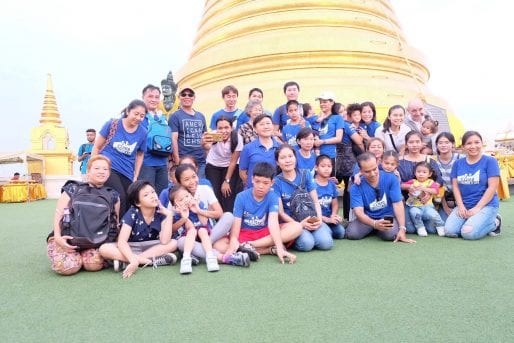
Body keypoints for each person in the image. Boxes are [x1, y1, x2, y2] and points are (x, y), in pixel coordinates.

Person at [47, 155, 121, 276]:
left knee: (93, 265)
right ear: (88, 170)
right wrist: (58, 237)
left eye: (105, 169)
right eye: (97, 168)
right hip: (67, 238)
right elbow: (59, 214)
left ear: (109, 173)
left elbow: (115, 221)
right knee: (68, 267)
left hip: (97, 241)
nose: (101, 171)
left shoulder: (113, 195)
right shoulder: (72, 188)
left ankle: (82, 256)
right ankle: (72, 255)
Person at [226, 162, 301, 264]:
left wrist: (279, 248)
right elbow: (236, 227)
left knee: (297, 227)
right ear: (252, 179)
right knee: (220, 245)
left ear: (272, 183)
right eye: (257, 181)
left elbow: (273, 223)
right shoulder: (241, 196)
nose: (260, 186)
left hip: (265, 233)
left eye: (265, 183)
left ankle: (250, 246)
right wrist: (233, 240)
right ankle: (267, 250)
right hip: (245, 233)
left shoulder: (272, 196)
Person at [99, 180, 177, 278]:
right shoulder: (133, 213)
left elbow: (165, 241)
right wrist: (132, 258)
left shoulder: (162, 213)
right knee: (104, 249)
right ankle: (148, 261)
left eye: (153, 192)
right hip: (131, 247)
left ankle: (128, 262)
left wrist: (169, 215)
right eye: (146, 195)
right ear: (138, 202)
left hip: (151, 247)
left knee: (173, 243)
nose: (152, 196)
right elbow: (122, 242)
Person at [173, 164, 239, 264]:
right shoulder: (175, 197)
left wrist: (199, 210)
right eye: (186, 179)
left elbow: (219, 213)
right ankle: (222, 257)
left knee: (229, 216)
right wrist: (184, 218)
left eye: (194, 176)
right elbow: (171, 228)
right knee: (181, 242)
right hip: (190, 237)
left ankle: (198, 251)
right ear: (179, 183)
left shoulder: (204, 189)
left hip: (209, 233)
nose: (192, 182)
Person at [92, 99, 147, 216]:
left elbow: (140, 154)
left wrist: (136, 175)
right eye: (136, 114)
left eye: (142, 116)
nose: (138, 118)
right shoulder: (112, 124)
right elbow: (97, 146)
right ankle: (117, 228)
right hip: (109, 167)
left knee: (130, 199)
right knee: (120, 196)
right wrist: (92, 168)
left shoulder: (143, 132)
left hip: (127, 171)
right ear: (128, 111)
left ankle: (125, 228)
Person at [273, 145, 333, 251]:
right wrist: (299, 225)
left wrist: (319, 219)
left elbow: (315, 202)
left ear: (295, 158)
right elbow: (281, 213)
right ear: (277, 162)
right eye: (283, 158)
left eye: (290, 156)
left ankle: (320, 230)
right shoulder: (276, 182)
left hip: (311, 218)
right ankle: (297, 238)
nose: (288, 160)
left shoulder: (306, 174)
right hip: (292, 222)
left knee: (326, 243)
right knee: (307, 244)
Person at [444, 131, 502, 239]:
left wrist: (477, 208)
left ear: (481, 143)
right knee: (449, 231)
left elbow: (492, 188)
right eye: (469, 143)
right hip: (465, 205)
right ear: (463, 147)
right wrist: (460, 206)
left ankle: (495, 222)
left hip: (486, 205)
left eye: (477, 142)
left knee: (468, 233)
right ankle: (473, 221)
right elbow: (455, 187)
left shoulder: (490, 161)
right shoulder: (458, 163)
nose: (473, 146)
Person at [346, 152, 415, 243]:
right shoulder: (355, 186)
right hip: (368, 217)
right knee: (352, 234)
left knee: (390, 235)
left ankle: (378, 230)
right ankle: (374, 228)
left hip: (386, 216)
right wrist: (374, 223)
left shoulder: (392, 178)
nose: (372, 174)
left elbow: (398, 204)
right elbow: (358, 212)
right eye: (367, 171)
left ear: (378, 163)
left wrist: (402, 229)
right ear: (361, 171)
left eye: (374, 169)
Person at [398, 130, 443, 233]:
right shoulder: (400, 161)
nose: (414, 145)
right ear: (406, 144)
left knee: (431, 230)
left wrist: (428, 191)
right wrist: (408, 187)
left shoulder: (429, 160)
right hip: (408, 202)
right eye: (411, 142)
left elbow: (439, 180)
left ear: (422, 143)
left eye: (417, 142)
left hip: (427, 202)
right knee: (410, 230)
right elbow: (396, 183)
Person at [169, 185, 220, 273]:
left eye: (187, 196)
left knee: (202, 230)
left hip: (203, 234)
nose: (185, 200)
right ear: (175, 206)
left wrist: (197, 209)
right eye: (181, 200)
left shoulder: (198, 204)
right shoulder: (179, 213)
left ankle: (210, 257)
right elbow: (190, 227)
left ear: (191, 195)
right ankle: (186, 259)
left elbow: (204, 223)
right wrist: (185, 216)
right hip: (189, 237)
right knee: (192, 231)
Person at [204, 116, 243, 212]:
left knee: (227, 192)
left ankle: (229, 216)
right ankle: (216, 218)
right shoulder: (213, 135)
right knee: (215, 192)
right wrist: (204, 141)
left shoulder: (237, 138)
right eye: (220, 128)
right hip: (213, 165)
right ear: (216, 128)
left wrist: (227, 181)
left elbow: (233, 161)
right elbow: (206, 146)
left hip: (229, 165)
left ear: (231, 128)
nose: (223, 131)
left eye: (226, 127)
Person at [169, 86, 208, 178]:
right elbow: (173, 139)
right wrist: (177, 160)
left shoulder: (201, 116)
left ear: (194, 98)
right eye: (184, 94)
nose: (187, 97)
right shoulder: (175, 116)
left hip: (200, 161)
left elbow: (205, 137)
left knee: (200, 187)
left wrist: (207, 158)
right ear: (179, 97)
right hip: (184, 160)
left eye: (190, 95)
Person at [138, 84, 170, 195]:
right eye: (150, 96)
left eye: (157, 97)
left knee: (162, 195)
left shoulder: (162, 117)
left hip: (162, 163)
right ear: (143, 97)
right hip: (146, 163)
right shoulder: (139, 116)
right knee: (146, 195)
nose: (154, 99)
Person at [402, 161, 446, 237]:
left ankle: (440, 225)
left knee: (433, 214)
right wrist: (409, 187)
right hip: (415, 206)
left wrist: (425, 189)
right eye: (418, 172)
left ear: (429, 174)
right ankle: (420, 227)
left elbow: (435, 191)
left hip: (427, 206)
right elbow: (402, 185)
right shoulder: (413, 181)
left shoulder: (430, 182)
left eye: (424, 172)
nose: (421, 174)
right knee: (415, 213)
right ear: (415, 173)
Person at [239, 114, 280, 188]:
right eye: (262, 124)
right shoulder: (248, 148)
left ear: (273, 126)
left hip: (274, 190)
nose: (266, 127)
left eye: (268, 123)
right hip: (253, 190)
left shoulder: (280, 147)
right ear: (255, 129)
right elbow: (242, 172)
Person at [433, 132, 464, 220]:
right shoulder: (433, 161)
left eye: (447, 142)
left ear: (453, 144)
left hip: (462, 199)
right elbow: (438, 187)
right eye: (440, 143)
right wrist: (446, 208)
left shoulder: (461, 158)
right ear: (436, 145)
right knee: (435, 226)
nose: (443, 145)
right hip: (443, 200)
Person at [312, 92, 344, 176]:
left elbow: (338, 138)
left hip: (330, 155)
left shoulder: (337, 118)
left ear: (332, 102)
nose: (322, 104)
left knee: (329, 181)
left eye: (325, 102)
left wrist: (322, 141)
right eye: (320, 102)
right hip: (315, 155)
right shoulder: (316, 118)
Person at [314, 155, 346, 239]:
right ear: (316, 168)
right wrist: (327, 220)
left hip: (329, 218)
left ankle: (326, 230)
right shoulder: (312, 185)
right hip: (316, 219)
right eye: (323, 166)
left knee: (341, 233)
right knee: (326, 236)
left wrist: (333, 215)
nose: (327, 168)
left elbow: (335, 204)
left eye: (329, 166)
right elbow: (311, 210)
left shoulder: (332, 184)